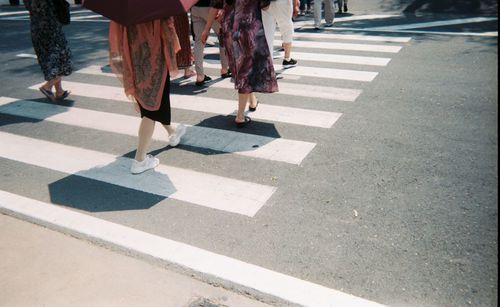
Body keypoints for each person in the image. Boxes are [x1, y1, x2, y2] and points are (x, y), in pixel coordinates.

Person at [109, 18, 187, 174]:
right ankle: (140, 160)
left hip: (135, 59)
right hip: (156, 58)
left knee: (151, 104)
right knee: (152, 108)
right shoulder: (156, 5)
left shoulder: (127, 8)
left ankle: (172, 132)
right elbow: (168, 31)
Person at [202, 0, 278, 128]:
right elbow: (265, 6)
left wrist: (206, 29)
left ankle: (252, 101)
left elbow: (215, 6)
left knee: (244, 68)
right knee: (246, 70)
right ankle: (240, 116)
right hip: (249, 29)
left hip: (229, 29)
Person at [24, 0, 72, 102]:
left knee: (51, 59)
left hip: (36, 27)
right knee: (62, 57)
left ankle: (59, 91)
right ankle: (47, 86)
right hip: (51, 26)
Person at [191, 0, 231, 86]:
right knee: (222, 37)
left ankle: (200, 75)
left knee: (199, 41)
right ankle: (225, 69)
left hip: (195, 7)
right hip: (212, 7)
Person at [261, 0, 298, 68]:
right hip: (282, 2)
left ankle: (268, 63)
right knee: (286, 28)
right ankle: (287, 58)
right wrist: (295, 3)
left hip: (266, 3)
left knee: (267, 33)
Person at [173, 13, 196, 79]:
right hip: (180, 12)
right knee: (184, 38)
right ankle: (187, 70)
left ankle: (171, 67)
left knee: (172, 39)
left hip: (169, 12)